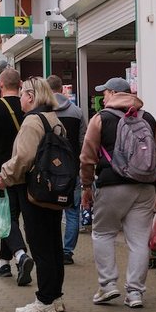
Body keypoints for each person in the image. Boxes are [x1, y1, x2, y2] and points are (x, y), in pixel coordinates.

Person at [79, 77, 156, 308]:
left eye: (104, 93)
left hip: (112, 186)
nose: (102, 98)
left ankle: (107, 286)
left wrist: (86, 186)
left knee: (103, 233)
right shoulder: (148, 118)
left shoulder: (101, 118)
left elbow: (87, 156)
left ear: (112, 93)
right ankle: (135, 293)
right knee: (139, 241)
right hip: (145, 187)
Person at [0, 77, 69, 312]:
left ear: (31, 96)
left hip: (35, 192)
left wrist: (4, 175)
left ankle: (44, 300)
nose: (22, 100)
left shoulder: (32, 121)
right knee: (54, 244)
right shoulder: (55, 120)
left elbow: (24, 158)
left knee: (40, 245)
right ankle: (55, 296)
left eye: (24, 94)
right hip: (55, 191)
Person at [0, 67, 34, 285]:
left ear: (0, 84)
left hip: (0, 173)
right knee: (15, 216)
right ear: (20, 84)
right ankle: (3, 262)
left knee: (6, 218)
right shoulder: (28, 109)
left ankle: (20, 255)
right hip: (27, 171)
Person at [47, 74, 87, 265]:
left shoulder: (44, 112)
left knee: (50, 208)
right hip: (73, 168)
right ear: (62, 89)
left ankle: (51, 248)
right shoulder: (77, 112)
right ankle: (67, 251)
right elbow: (83, 141)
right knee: (72, 211)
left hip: (50, 170)